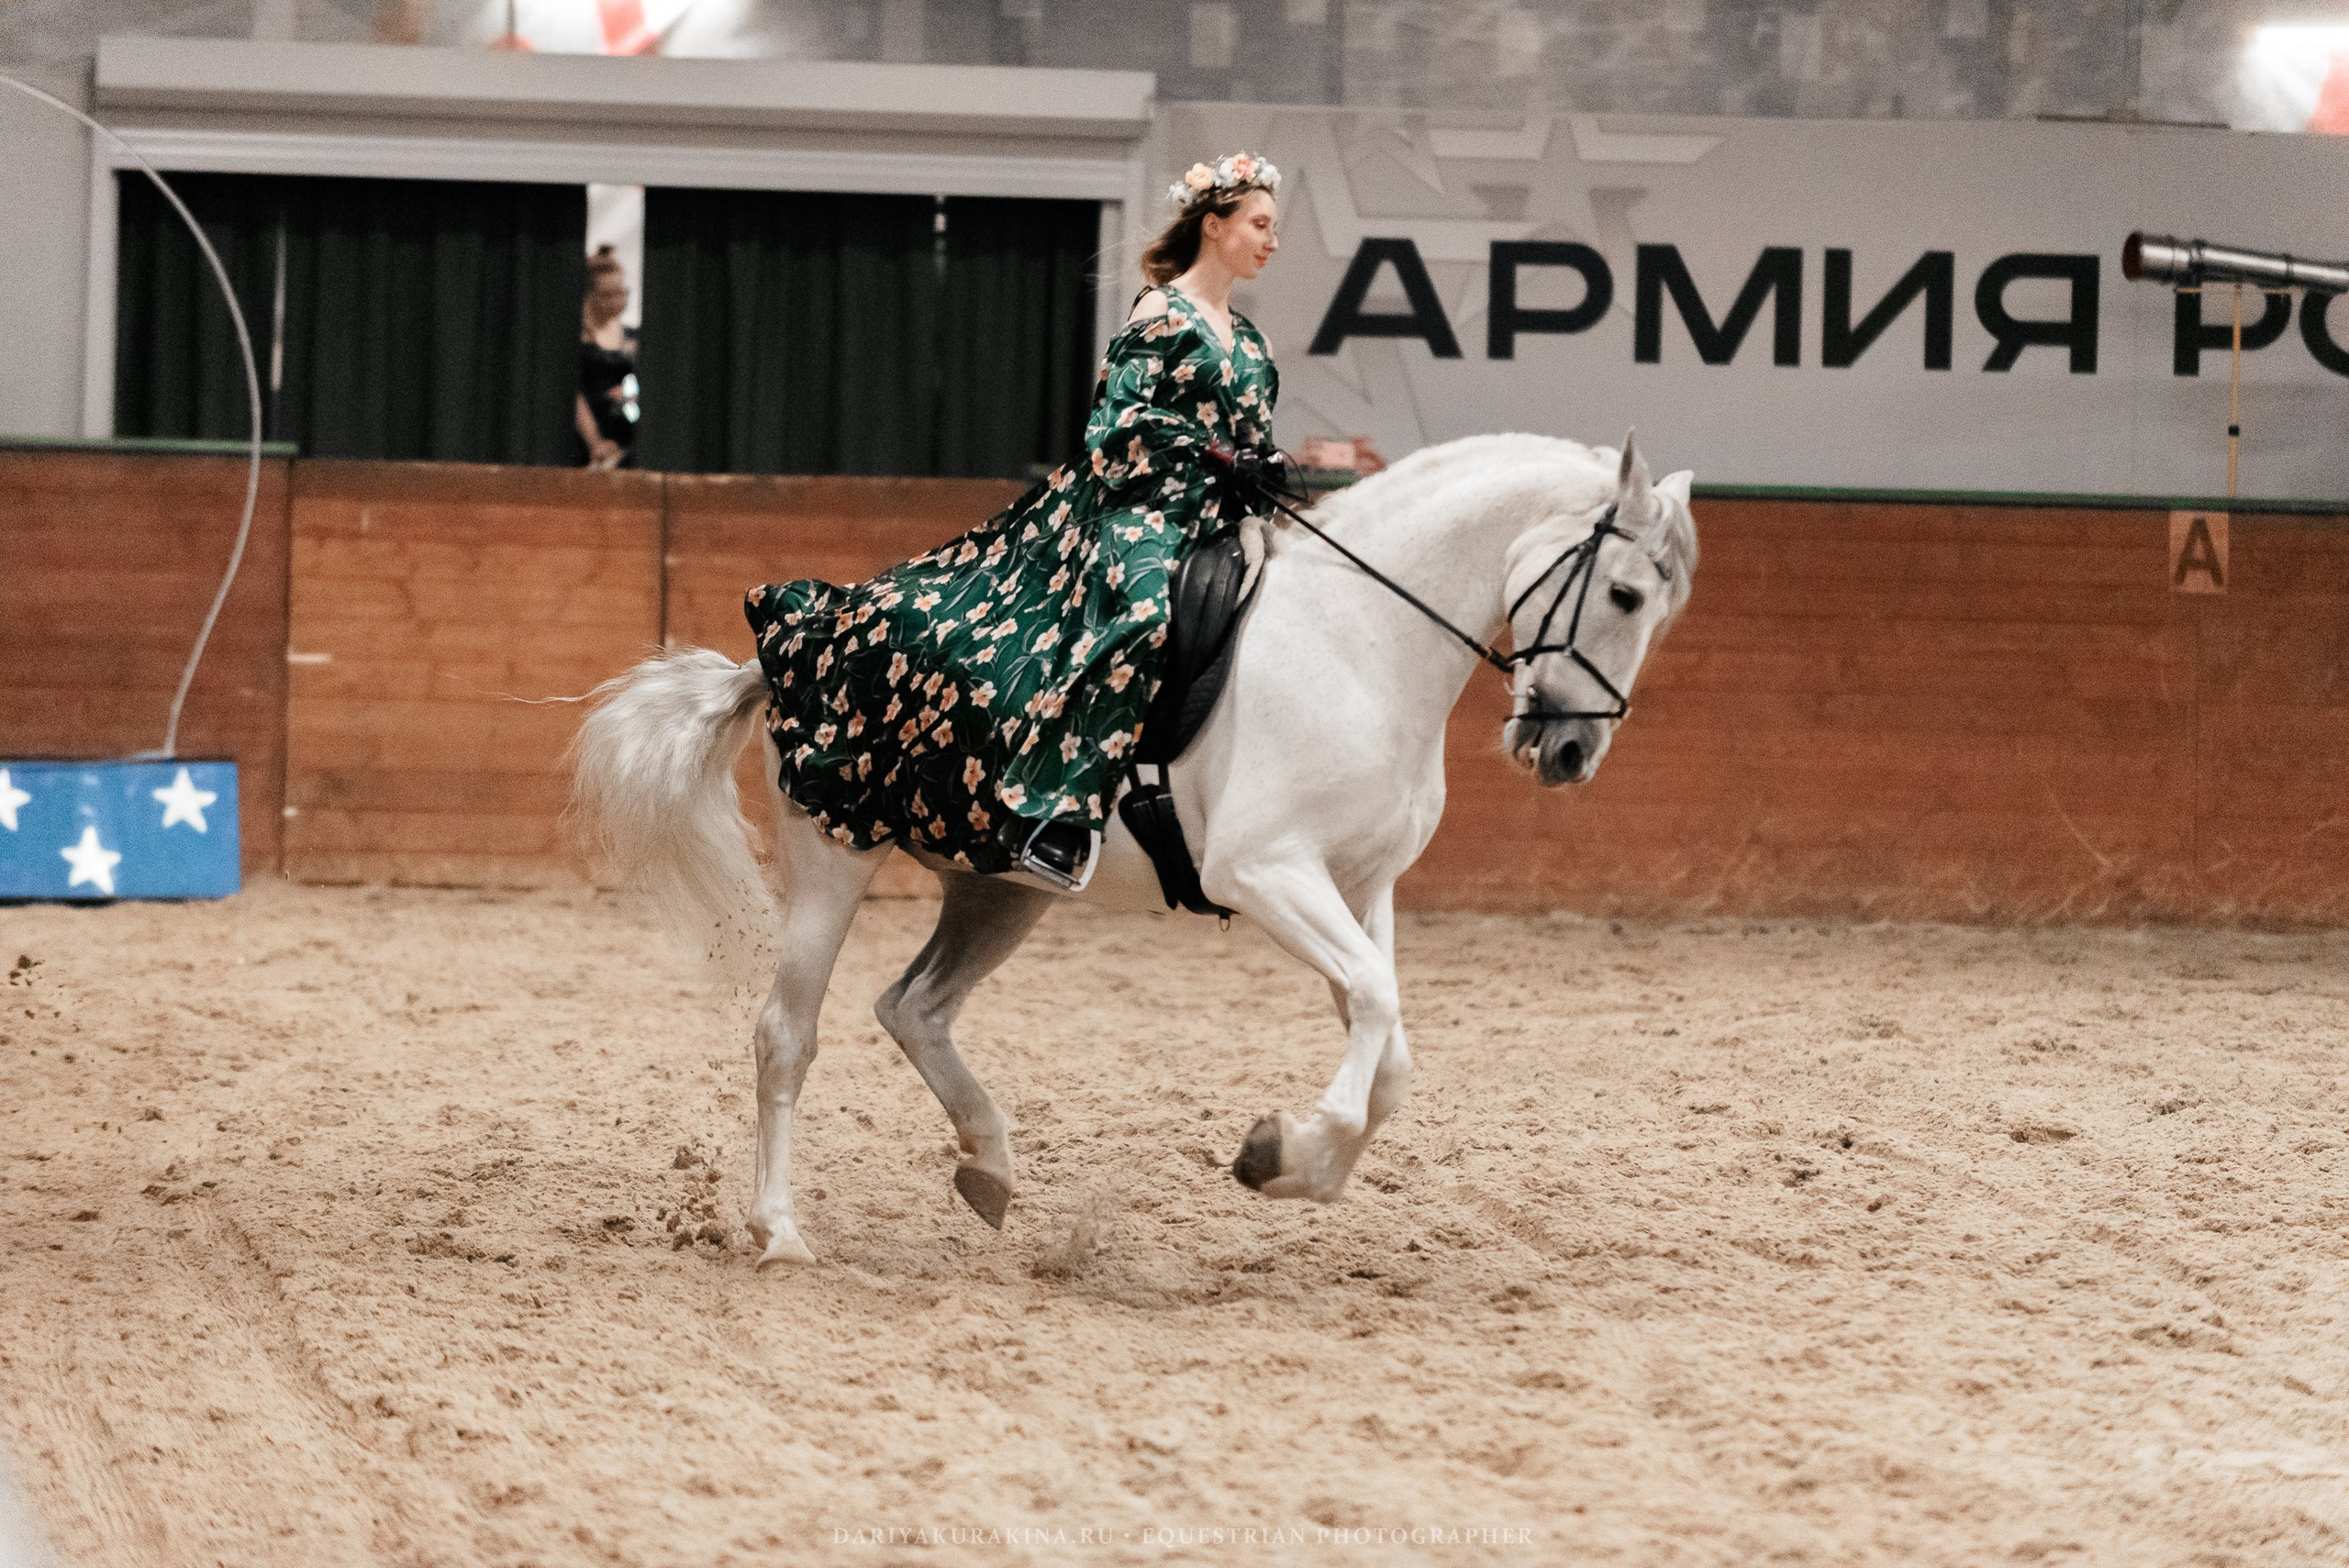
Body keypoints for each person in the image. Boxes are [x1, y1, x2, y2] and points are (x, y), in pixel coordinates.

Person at [745, 150, 1286, 888]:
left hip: (1219, 523)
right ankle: (1060, 813)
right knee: (1142, 617)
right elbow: (1116, 422)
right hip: (1133, 511)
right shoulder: (1162, 312)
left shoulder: (1252, 342)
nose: (1271, 240)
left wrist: (1265, 465)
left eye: (1273, 227)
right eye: (1259, 223)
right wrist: (1211, 451)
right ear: (1214, 225)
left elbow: (1251, 436)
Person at [573, 245, 636, 470]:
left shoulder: (631, 336)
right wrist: (595, 441)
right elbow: (575, 395)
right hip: (588, 436)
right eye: (608, 295)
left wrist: (631, 393)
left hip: (625, 434)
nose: (618, 300)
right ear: (589, 296)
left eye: (622, 292)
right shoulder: (580, 339)